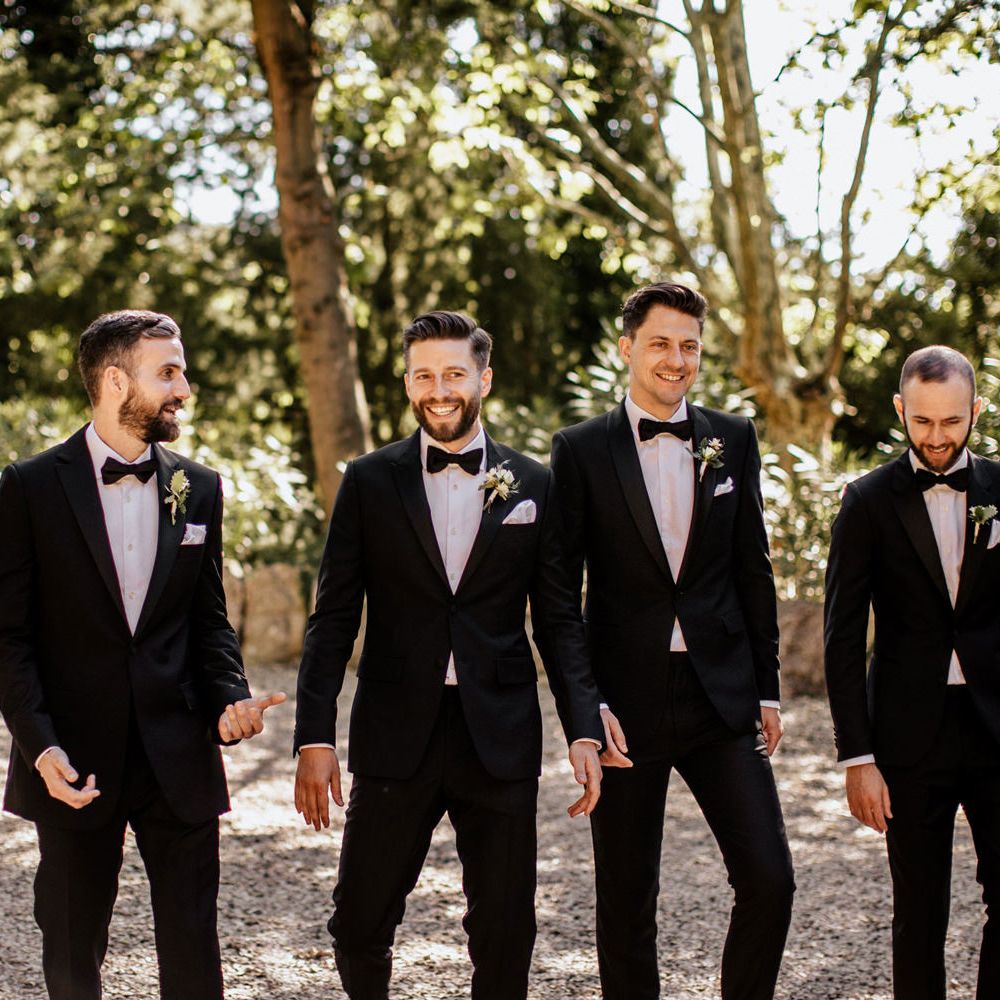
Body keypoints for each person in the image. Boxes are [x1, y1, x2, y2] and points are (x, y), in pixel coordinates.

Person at [293, 310, 604, 1000]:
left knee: (505, 929)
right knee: (359, 921)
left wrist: (583, 727)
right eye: (424, 376)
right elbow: (333, 618)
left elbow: (559, 621)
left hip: (500, 731)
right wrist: (314, 736)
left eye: (454, 374)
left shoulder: (534, 483)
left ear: (483, 380)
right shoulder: (368, 480)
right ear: (408, 383)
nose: (439, 390)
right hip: (394, 728)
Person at [0, 309, 284, 1000]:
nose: (183, 388)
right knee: (72, 947)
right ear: (115, 380)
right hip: (73, 757)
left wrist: (230, 699)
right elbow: (8, 637)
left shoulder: (200, 488)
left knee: (193, 948)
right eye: (169, 373)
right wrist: (40, 746)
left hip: (179, 751)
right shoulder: (29, 487)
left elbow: (208, 621)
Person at [549, 281, 795, 999]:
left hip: (723, 697)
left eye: (689, 346)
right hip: (625, 708)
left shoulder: (733, 438)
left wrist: (768, 688)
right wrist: (585, 709)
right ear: (627, 348)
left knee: (770, 880)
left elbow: (754, 569)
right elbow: (559, 597)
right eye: (660, 343)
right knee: (627, 901)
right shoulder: (580, 450)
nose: (676, 359)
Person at [825, 345, 1000, 999]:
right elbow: (842, 637)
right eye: (922, 421)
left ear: (976, 410)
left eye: (951, 421)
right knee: (919, 912)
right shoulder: (867, 501)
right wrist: (857, 757)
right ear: (901, 409)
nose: (936, 437)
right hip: (907, 736)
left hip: (996, 726)